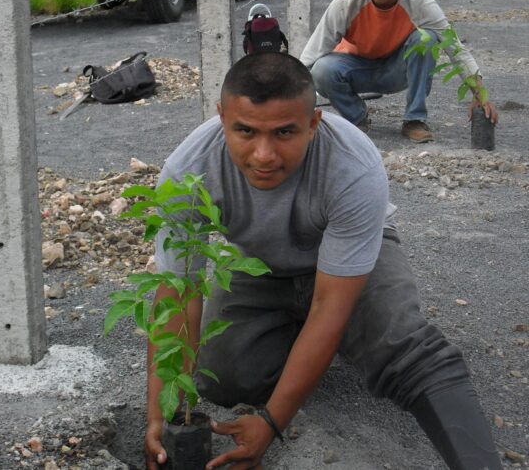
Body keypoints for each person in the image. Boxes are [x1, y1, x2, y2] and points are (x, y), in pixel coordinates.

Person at [145, 52, 502, 470]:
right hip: (260, 266)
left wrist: (271, 422)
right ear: (222, 117)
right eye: (244, 131)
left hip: (351, 263)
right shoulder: (186, 172)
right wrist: (159, 414)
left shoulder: (352, 165)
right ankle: (309, 341)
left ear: (313, 123)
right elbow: (178, 294)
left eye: (284, 132)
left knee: (402, 347)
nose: (263, 154)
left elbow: (330, 306)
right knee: (222, 376)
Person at [300, 0, 499, 143]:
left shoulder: (420, 3)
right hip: (354, 69)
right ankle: (357, 117)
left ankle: (414, 119)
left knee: (427, 39)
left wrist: (479, 94)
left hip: (396, 71)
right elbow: (311, 56)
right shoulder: (346, 3)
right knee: (321, 70)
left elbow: (454, 48)